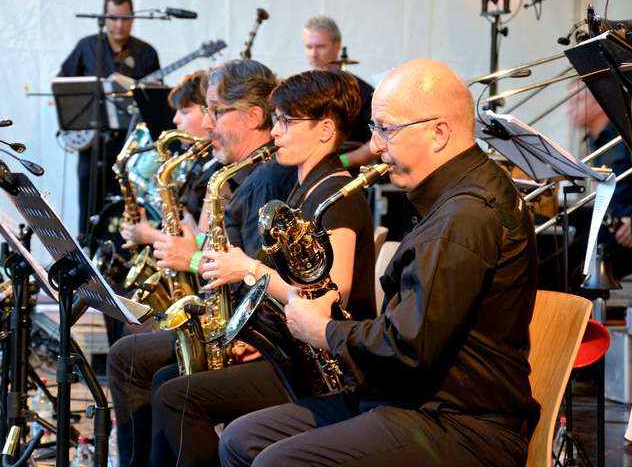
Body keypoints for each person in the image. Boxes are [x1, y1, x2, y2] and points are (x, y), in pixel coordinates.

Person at [219, 59, 540, 466]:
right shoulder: (455, 197)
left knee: (277, 462)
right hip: (411, 399)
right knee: (241, 438)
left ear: (439, 132)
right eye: (374, 129)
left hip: (461, 424)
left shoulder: (465, 216)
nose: (376, 146)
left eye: (386, 129)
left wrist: (324, 331)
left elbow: (408, 348)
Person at [150, 69, 377, 466]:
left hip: (326, 370)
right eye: (275, 120)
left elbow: (329, 297)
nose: (275, 132)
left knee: (177, 396)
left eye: (286, 122)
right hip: (296, 352)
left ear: (325, 129)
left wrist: (249, 270)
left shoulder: (336, 197)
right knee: (170, 386)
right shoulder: (302, 188)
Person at [106, 59, 296, 466]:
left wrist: (190, 256)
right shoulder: (244, 173)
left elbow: (260, 272)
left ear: (253, 116)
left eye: (214, 111)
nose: (208, 124)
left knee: (133, 359)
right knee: (142, 362)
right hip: (233, 320)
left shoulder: (264, 178)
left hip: (260, 338)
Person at [58, 0, 161, 235]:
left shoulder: (146, 52)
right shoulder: (86, 47)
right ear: (104, 18)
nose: (119, 24)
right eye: (113, 18)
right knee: (88, 197)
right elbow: (65, 87)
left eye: (125, 18)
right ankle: (86, 248)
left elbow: (155, 99)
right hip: (93, 144)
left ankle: (120, 254)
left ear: (133, 19)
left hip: (130, 144)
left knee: (126, 200)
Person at [120, 70, 220, 249]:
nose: (175, 120)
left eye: (184, 112)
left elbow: (205, 246)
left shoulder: (217, 168)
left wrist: (150, 236)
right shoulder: (199, 160)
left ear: (210, 111)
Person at [567, 86, 632, 281]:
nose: (569, 109)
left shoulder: (624, 137)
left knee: (572, 272)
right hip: (606, 226)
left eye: (577, 101)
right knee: (550, 249)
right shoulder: (596, 141)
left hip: (623, 234)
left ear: (599, 102)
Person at [302, 16, 374, 168]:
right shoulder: (301, 88)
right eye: (309, 47)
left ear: (337, 45)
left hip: (346, 172)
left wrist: (341, 162)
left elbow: (376, 143)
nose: (313, 54)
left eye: (320, 47)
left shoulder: (362, 92)